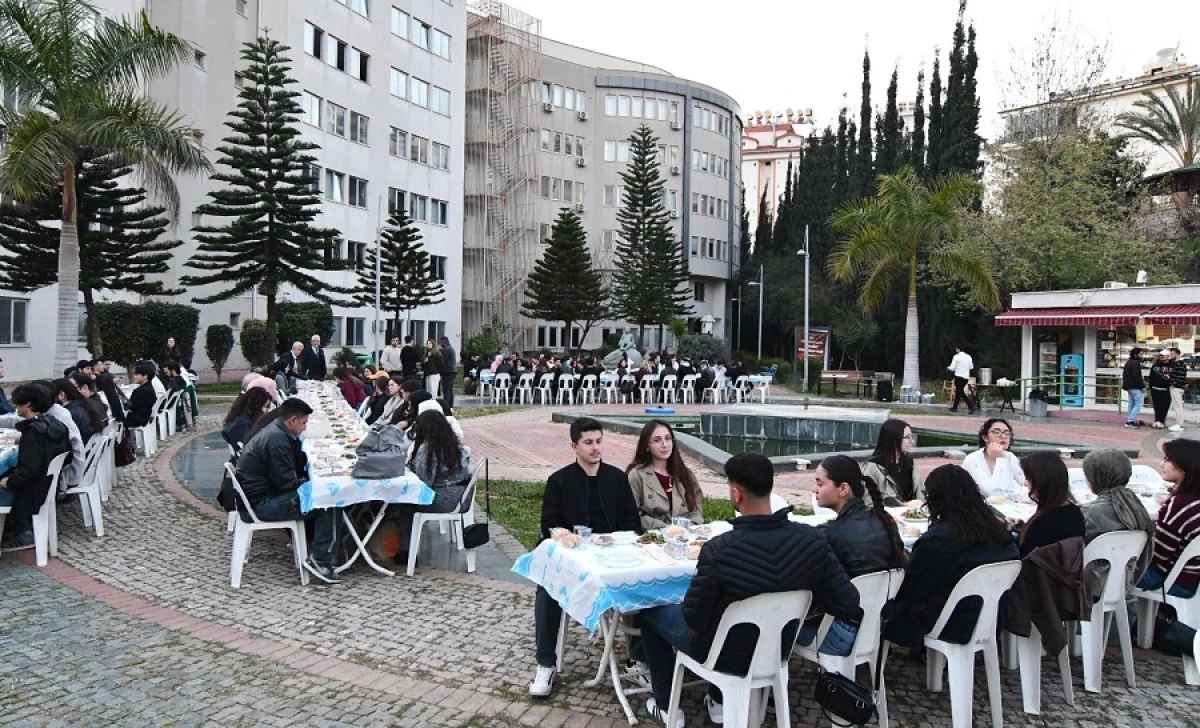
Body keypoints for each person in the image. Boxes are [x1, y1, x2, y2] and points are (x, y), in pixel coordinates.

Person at [634, 453, 864, 726]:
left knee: (649, 611)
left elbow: (694, 619)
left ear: (736, 493)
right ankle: (718, 701)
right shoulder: (812, 541)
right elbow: (850, 601)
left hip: (726, 654)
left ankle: (665, 705)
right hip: (780, 648)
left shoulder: (720, 550)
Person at [529, 417, 643, 699]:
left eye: (599, 441)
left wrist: (616, 538)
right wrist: (563, 535)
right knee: (547, 586)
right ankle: (546, 664)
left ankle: (638, 658)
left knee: (643, 580)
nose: (595, 448)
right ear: (574, 446)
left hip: (613, 555)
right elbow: (549, 524)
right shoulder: (559, 480)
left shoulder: (617, 478)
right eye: (589, 443)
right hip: (574, 557)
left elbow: (632, 522)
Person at [884, 464, 1019, 647]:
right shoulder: (999, 532)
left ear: (935, 500)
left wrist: (908, 561)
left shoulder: (939, 539)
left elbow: (914, 587)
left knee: (886, 602)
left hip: (950, 621)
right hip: (993, 617)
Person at [234, 398, 342, 583]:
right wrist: (311, 482)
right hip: (261, 505)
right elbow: (287, 483)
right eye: (304, 423)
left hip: (258, 497)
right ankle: (320, 561)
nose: (305, 428)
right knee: (328, 500)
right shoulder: (276, 440)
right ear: (292, 420)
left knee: (321, 493)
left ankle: (326, 547)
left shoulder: (276, 431)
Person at [387, 410, 471, 560]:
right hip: (459, 496)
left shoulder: (428, 449)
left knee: (403, 505)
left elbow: (423, 483)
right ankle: (405, 548)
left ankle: (406, 552)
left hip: (442, 500)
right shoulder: (452, 444)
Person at [0, 384, 71, 550]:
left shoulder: (34, 433)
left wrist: (9, 482)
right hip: (46, 485)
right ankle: (14, 529)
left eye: (17, 403)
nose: (15, 406)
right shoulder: (54, 424)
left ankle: (22, 533)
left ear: (28, 404)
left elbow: (29, 470)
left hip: (32, 492)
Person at [813, 454, 907, 577]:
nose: (814, 489)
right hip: (889, 594)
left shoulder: (830, 533)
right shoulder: (884, 518)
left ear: (843, 489)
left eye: (820, 484)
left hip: (855, 595)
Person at [1080, 448, 1156, 596]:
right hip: (1125, 584)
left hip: (1091, 587)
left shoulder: (1091, 514)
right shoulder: (1137, 508)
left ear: (1093, 478)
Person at [1136, 437, 1200, 598]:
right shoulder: (1191, 500)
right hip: (1193, 578)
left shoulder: (1180, 505)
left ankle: (1114, 618)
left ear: (1184, 467)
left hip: (1176, 581)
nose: (1161, 464)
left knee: (1111, 571)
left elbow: (1157, 558)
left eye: (1167, 459)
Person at [626, 420, 703, 530]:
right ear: (647, 446)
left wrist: (689, 527)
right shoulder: (636, 475)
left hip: (685, 537)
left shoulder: (685, 474)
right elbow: (632, 515)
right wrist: (665, 528)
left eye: (668, 438)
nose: (665, 444)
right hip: (651, 538)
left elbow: (696, 511)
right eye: (657, 440)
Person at [1010, 451, 1085, 557]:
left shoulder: (1041, 523)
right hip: (1066, 570)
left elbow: (1022, 557)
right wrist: (1024, 529)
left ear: (1041, 481)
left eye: (1028, 478)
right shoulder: (1075, 512)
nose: (1025, 483)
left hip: (1036, 571)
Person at [861, 418, 924, 506]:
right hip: (887, 517)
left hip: (913, 517)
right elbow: (867, 502)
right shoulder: (873, 467)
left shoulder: (910, 464)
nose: (912, 441)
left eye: (911, 437)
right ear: (894, 440)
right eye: (907, 437)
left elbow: (921, 493)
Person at [962, 418, 1026, 499]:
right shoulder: (973, 460)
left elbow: (1024, 484)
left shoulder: (1011, 457)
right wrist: (1000, 459)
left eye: (1006, 432)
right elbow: (992, 493)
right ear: (985, 437)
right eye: (996, 432)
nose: (1003, 436)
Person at [53, 378, 105, 445]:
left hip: (83, 451)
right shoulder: (83, 405)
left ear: (61, 395)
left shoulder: (69, 413)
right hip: (91, 449)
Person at [124, 361, 160, 430]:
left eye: (137, 374)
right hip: (145, 417)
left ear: (145, 376)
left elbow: (130, 406)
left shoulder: (141, 391)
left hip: (139, 419)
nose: (135, 377)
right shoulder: (149, 387)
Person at [947, 345, 975, 414]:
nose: (955, 350)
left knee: (960, 392)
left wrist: (948, 368)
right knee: (958, 391)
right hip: (965, 377)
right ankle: (955, 407)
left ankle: (971, 404)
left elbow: (952, 368)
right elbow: (971, 367)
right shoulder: (969, 356)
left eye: (956, 348)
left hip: (958, 376)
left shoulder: (956, 357)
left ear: (958, 349)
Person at [1122, 347, 1146, 429]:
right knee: (1139, 404)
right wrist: (1142, 386)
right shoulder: (1135, 363)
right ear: (1136, 354)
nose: (1142, 356)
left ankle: (1131, 419)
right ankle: (1131, 421)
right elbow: (1136, 376)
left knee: (1132, 404)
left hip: (1129, 386)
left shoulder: (1128, 362)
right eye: (1140, 354)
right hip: (1135, 386)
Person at [1149, 350, 1172, 429]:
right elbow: (1151, 378)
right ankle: (1157, 421)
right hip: (1156, 388)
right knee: (1157, 406)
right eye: (1161, 355)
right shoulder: (1155, 366)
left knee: (1165, 406)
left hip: (1166, 389)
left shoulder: (1172, 366)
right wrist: (1151, 388)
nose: (1162, 357)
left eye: (1164, 355)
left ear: (1168, 356)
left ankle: (1161, 421)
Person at [1168, 347, 1190, 432]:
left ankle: (1179, 424)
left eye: (1172, 354)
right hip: (1177, 387)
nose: (1170, 356)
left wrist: (1173, 383)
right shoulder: (1179, 364)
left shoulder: (1179, 364)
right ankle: (1179, 423)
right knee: (1177, 406)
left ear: (1177, 354)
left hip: (1176, 387)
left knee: (1178, 406)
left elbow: (1180, 377)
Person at [439, 336, 457, 408]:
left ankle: (446, 405)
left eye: (441, 342)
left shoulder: (447, 350)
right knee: (450, 389)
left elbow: (443, 361)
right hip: (452, 371)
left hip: (448, 371)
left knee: (446, 389)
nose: (440, 344)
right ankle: (450, 405)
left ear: (444, 342)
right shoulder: (451, 348)